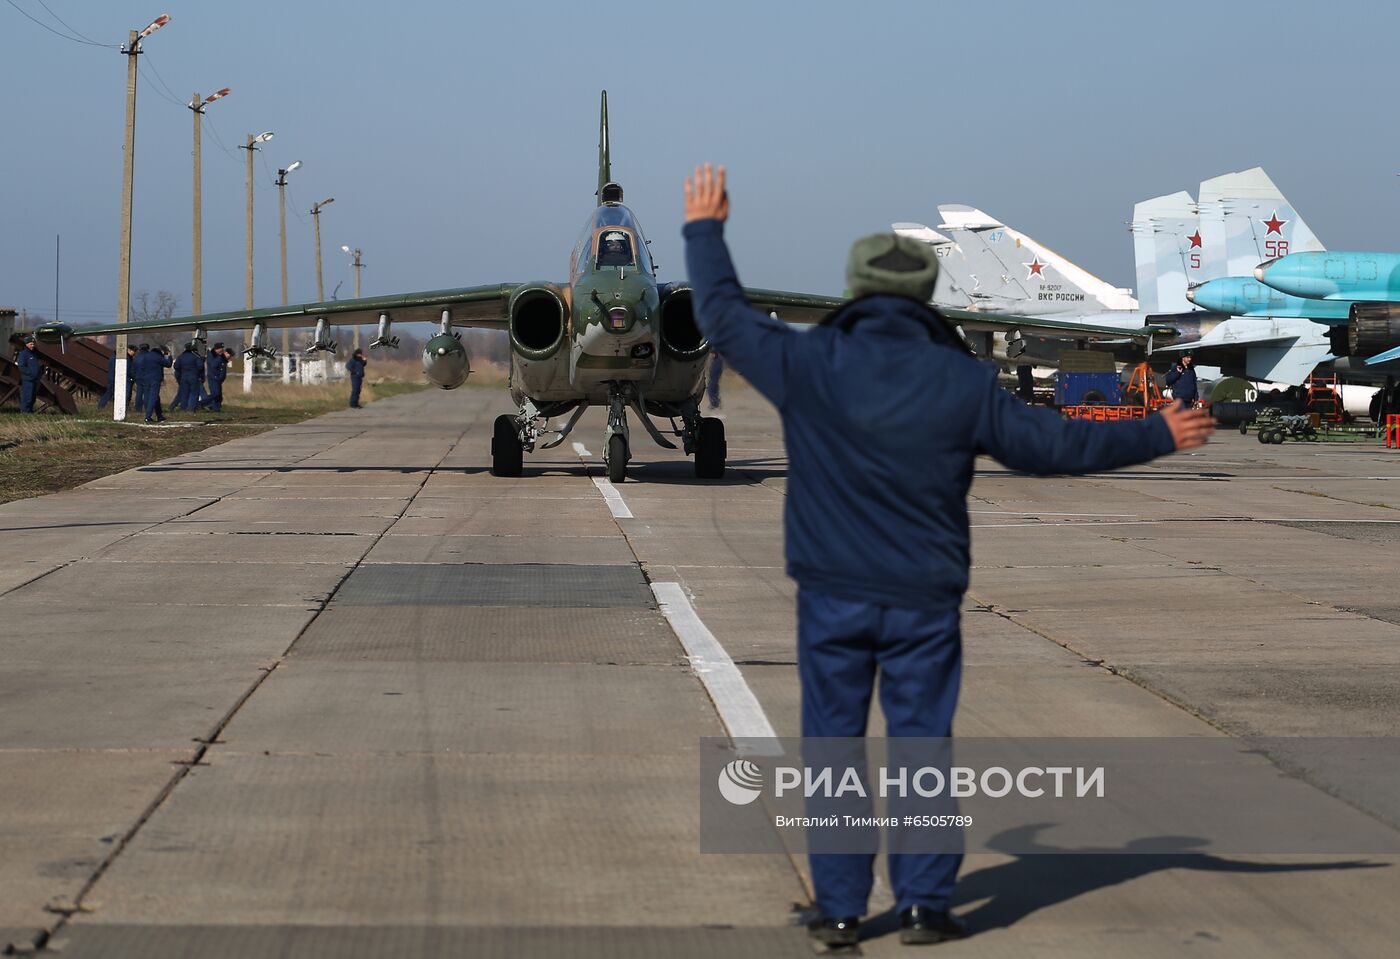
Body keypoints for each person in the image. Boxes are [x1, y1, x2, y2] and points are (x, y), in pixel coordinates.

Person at [681, 164, 1215, 949]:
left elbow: (722, 318)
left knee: (832, 747)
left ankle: (838, 907)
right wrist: (1155, 432)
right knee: (921, 747)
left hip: (832, 595)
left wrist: (705, 229)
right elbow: (1052, 445)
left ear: (854, 290)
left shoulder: (809, 363)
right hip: (924, 599)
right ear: (929, 292)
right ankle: (927, 903)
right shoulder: (963, 381)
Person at [137, 343, 165, 423]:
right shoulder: (158, 357)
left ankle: (159, 416)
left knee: (151, 397)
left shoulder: (145, 357)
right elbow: (168, 364)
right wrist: (168, 355)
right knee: (153, 397)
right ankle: (148, 416)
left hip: (146, 379)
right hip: (155, 380)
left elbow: (141, 367)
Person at [16, 335, 43, 413]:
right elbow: (21, 366)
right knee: (27, 397)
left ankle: (30, 412)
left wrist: (39, 373)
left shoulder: (34, 354)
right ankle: (24, 412)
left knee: (33, 398)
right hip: (28, 379)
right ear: (26, 344)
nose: (33, 345)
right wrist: (31, 373)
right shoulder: (24, 354)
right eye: (31, 344)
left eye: (33, 344)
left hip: (35, 379)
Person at [173, 344, 202, 412]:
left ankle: (183, 408)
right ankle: (191, 408)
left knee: (184, 393)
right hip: (193, 376)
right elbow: (200, 366)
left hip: (184, 376)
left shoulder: (181, 357)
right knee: (194, 393)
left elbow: (176, 366)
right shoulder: (195, 357)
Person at [205, 343, 228, 413]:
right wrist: (221, 357)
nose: (223, 350)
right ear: (217, 349)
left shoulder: (219, 356)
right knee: (215, 393)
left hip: (218, 378)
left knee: (219, 396)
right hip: (212, 377)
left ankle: (216, 409)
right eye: (221, 348)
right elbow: (213, 365)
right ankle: (202, 403)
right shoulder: (211, 355)